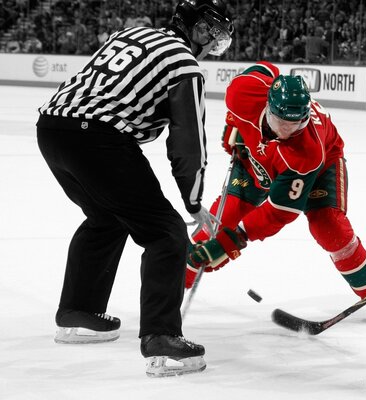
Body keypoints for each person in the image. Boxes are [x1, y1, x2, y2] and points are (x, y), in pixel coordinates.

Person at [36, 0, 234, 377]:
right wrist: (193, 204)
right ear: (201, 31)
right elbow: (187, 143)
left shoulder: (130, 34)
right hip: (99, 139)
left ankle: (78, 311)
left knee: (105, 217)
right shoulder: (184, 64)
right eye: (216, 39)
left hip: (51, 129)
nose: (213, 49)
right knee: (165, 232)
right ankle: (161, 339)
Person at [186, 61, 366, 322]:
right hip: (256, 158)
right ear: (269, 106)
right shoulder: (242, 93)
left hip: (321, 166)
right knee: (213, 227)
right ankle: (172, 285)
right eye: (282, 122)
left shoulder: (307, 151)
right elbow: (266, 68)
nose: (288, 130)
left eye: (296, 123)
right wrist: (234, 122)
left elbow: (279, 212)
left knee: (328, 227)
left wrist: (231, 242)